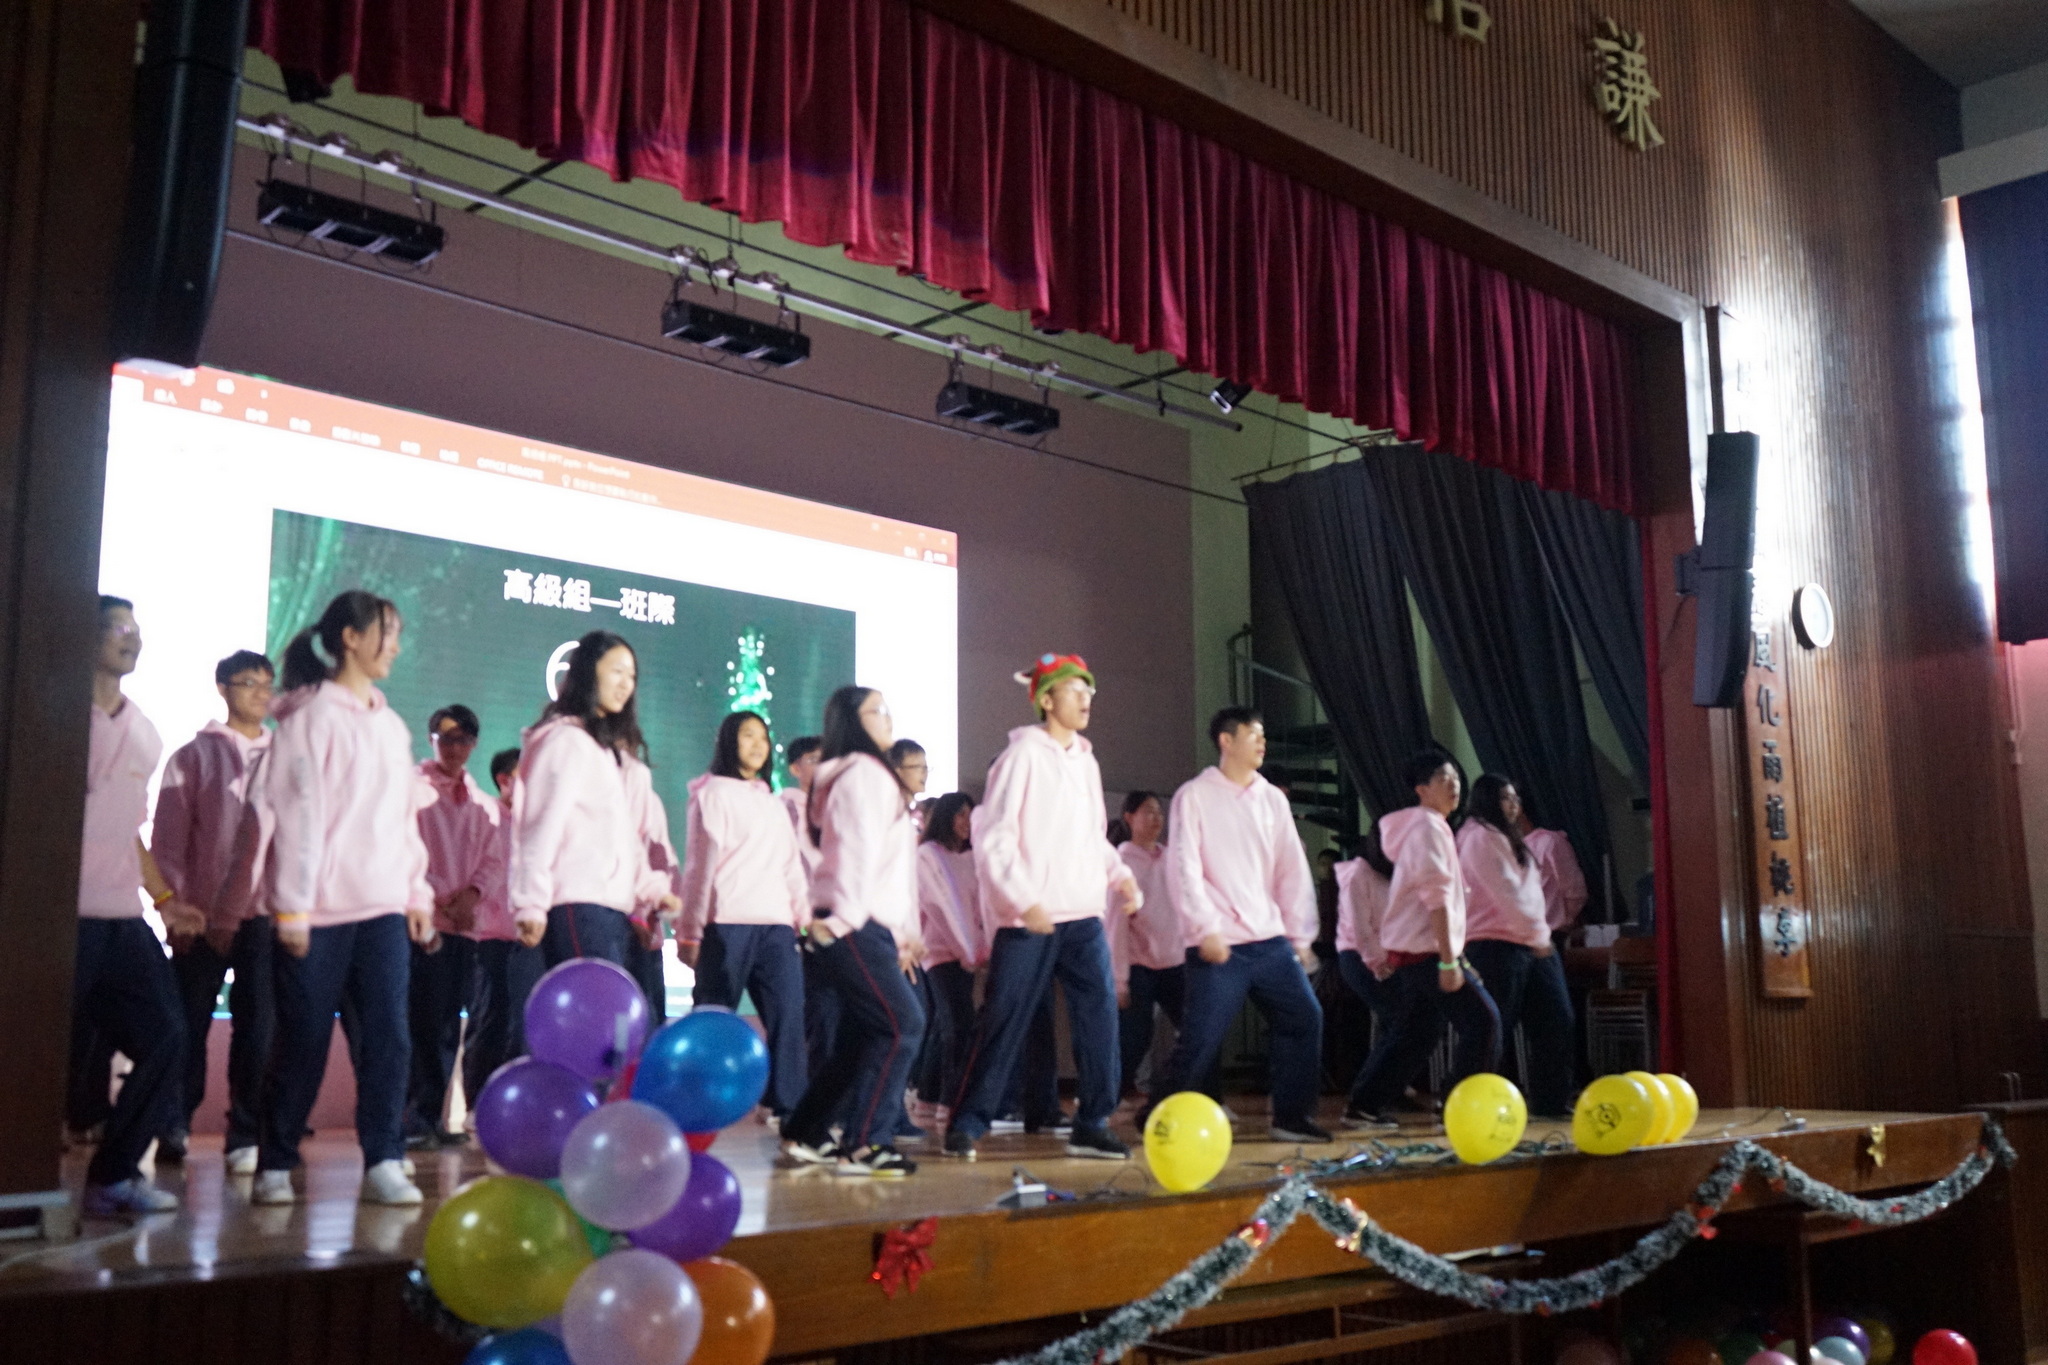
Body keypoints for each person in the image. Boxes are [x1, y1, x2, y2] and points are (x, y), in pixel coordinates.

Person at [254, 591, 437, 1206]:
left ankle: (384, 1156)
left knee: (388, 1038)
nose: (396, 647)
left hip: (382, 907)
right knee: (303, 1039)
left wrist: (416, 892)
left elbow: (403, 821)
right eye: (387, 632)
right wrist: (293, 907)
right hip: (320, 913)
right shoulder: (312, 719)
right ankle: (275, 1160)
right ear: (351, 639)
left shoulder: (390, 725)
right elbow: (297, 817)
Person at [945, 654, 1138, 1162]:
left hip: (1082, 915)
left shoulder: (1087, 762)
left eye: (1089, 690)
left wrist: (1120, 875)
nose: (1086, 698)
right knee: (1003, 1019)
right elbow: (995, 837)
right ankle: (967, 1121)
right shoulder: (1022, 756)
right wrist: (1023, 899)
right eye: (1075, 690)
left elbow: (1092, 837)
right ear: (1047, 700)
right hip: (1030, 918)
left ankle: (1092, 1122)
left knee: (1099, 1018)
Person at [72, 596, 199, 1216]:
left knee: (167, 1036)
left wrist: (165, 900)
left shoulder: (145, 731)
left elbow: (131, 832)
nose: (132, 637)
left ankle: (114, 1177)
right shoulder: (53, 714)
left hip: (121, 918)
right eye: (118, 626)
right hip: (58, 918)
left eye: (136, 627)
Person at [1150, 709, 1329, 1143]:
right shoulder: (1195, 795)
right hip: (1220, 941)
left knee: (1303, 1016)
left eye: (1263, 734)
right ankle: (1157, 1116)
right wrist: (1203, 927)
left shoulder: (1272, 800)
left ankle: (1291, 1117)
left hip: (1268, 938)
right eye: (1252, 734)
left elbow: (1291, 869)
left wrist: (1300, 935)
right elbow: (1184, 867)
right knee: (1201, 1039)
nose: (1261, 742)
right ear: (1226, 741)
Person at [780, 686, 926, 1177]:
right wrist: (847, 920)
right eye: (875, 711)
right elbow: (856, 852)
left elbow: (877, 863)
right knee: (902, 1024)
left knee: (863, 1035)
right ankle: (865, 1142)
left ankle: (807, 1129)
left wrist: (901, 931)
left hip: (852, 920)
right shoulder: (864, 774)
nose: (887, 717)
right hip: (852, 922)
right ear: (852, 721)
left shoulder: (848, 775)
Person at [153, 648, 274, 1172]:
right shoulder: (193, 756)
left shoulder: (284, 757)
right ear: (223, 688)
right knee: (188, 1023)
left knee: (259, 1027)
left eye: (267, 684)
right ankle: (174, 1123)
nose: (260, 694)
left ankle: (244, 1132)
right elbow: (169, 841)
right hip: (200, 917)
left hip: (262, 915)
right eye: (248, 683)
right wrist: (175, 910)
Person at [1344, 751, 1501, 1131]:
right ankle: (1459, 1107)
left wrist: (1456, 955)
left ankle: (1364, 1105)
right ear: (1421, 789)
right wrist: (1449, 960)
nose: (1455, 785)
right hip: (1427, 952)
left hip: (1421, 950)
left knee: (1417, 1032)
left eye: (1456, 778)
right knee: (1483, 1021)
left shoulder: (1431, 828)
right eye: (1443, 779)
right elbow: (1437, 898)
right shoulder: (1427, 829)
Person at [510, 631, 676, 969]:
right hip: (577, 904)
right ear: (588, 672)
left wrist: (653, 890)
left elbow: (623, 839)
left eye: (632, 676)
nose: (626, 684)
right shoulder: (565, 741)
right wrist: (530, 903)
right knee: (592, 1001)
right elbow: (541, 827)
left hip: (609, 908)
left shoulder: (602, 751)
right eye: (617, 671)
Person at [679, 711, 810, 1124]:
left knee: (788, 1013)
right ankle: (696, 1102)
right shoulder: (712, 793)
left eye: (763, 738)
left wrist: (803, 917)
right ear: (728, 742)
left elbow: (791, 866)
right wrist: (690, 930)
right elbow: (700, 866)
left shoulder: (773, 803)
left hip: (776, 925)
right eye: (747, 736)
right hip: (727, 922)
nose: (757, 745)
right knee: (713, 1016)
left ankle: (786, 1105)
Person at [406, 705, 496, 1148]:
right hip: (424, 922)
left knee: (446, 1026)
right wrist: (445, 897)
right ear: (431, 741)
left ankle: (432, 1115)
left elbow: (493, 860)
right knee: (417, 1023)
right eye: (445, 738)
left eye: (462, 739)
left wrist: (472, 896)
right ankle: (410, 1119)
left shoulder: (481, 802)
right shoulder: (413, 789)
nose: (454, 747)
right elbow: (406, 850)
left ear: (474, 745)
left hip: (465, 927)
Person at [1461, 776, 1576, 1118]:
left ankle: (1550, 1102)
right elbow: (1506, 893)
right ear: (1486, 800)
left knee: (1556, 1020)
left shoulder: (1509, 838)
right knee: (1496, 1029)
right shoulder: (1478, 836)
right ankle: (1477, 1106)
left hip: (1533, 940)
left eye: (1515, 798)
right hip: (1495, 943)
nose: (1514, 805)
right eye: (1505, 798)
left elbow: (1529, 893)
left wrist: (1539, 936)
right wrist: (1537, 935)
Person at [463, 747, 543, 1096]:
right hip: (489, 936)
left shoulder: (537, 826)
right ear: (503, 780)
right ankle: (478, 1102)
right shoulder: (486, 817)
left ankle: (516, 1099)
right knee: (489, 1020)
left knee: (523, 1025)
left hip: (528, 938)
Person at [1107, 790, 1184, 1101]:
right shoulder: (1121, 863)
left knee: (1198, 1028)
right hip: (1139, 964)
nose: (1156, 818)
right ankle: (1109, 1095)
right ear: (1129, 817)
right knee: (1134, 1037)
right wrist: (1119, 980)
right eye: (1148, 812)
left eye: (1159, 812)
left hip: (1176, 960)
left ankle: (1204, 1094)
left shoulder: (1171, 858)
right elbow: (1115, 925)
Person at [914, 792, 982, 1116]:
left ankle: (929, 1099)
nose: (967, 822)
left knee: (948, 1025)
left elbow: (975, 909)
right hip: (939, 952)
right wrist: (964, 948)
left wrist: (976, 948)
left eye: (970, 815)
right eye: (960, 815)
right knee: (958, 1024)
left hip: (966, 954)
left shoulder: (969, 858)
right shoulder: (928, 854)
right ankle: (949, 1101)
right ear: (945, 817)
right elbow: (938, 907)